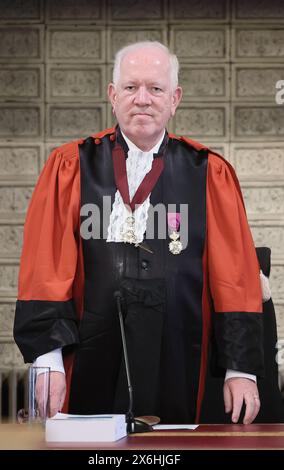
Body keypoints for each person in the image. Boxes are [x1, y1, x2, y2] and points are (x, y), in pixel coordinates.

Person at [14, 41, 265, 425]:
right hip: (89, 350)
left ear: (175, 98)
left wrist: (240, 368)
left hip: (181, 352)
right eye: (131, 87)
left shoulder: (209, 172)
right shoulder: (70, 166)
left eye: (156, 88)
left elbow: (235, 275)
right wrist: (47, 361)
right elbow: (44, 267)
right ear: (113, 95)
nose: (143, 99)